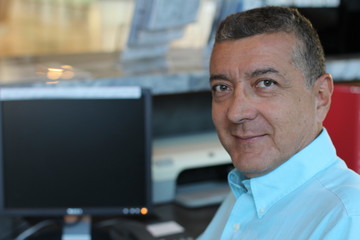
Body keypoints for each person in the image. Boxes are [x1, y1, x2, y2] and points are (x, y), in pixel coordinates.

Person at [198, 6, 360, 240]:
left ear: (320, 97)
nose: (236, 112)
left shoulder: (347, 220)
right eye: (222, 88)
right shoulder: (247, 187)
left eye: (266, 83)